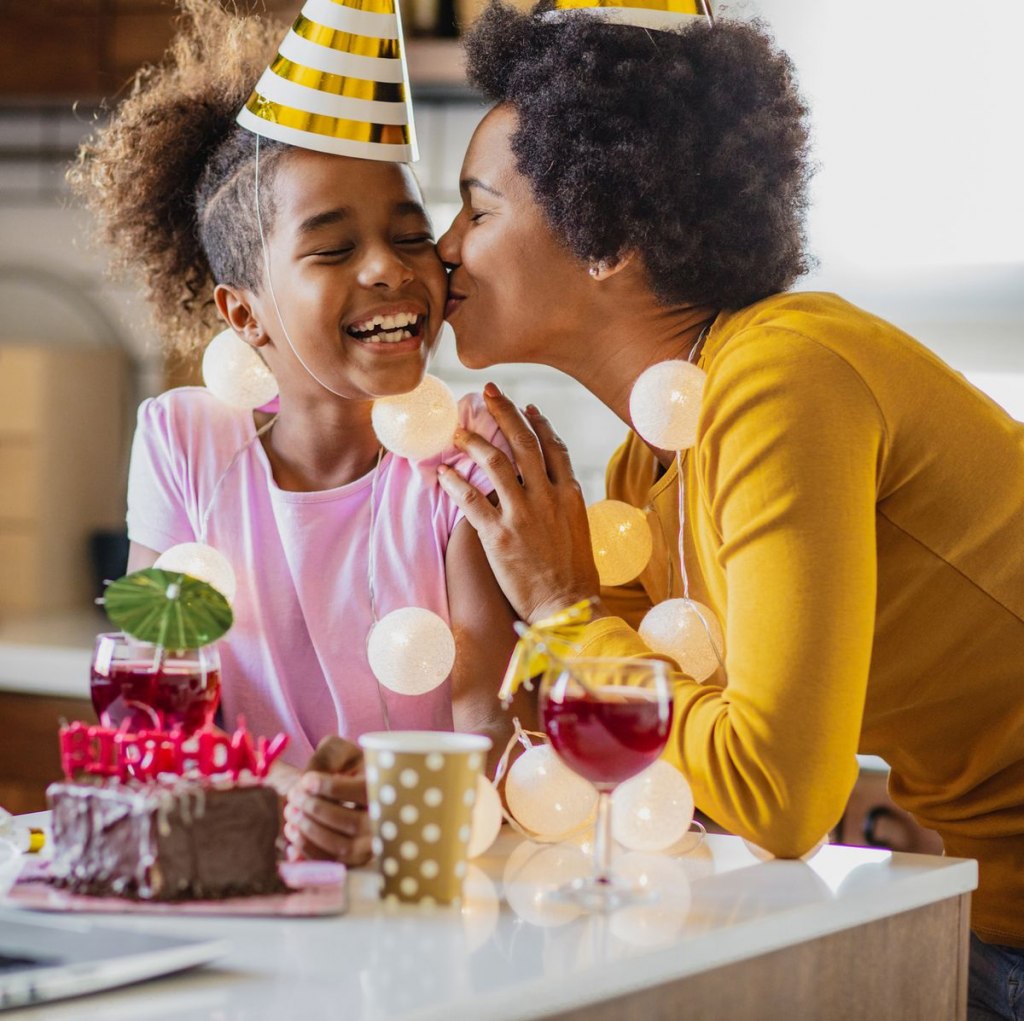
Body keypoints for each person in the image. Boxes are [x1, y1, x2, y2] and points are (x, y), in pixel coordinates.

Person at [433, 3, 1024, 1014]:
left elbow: (779, 796)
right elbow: (617, 756)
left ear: (605, 233)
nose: (443, 250)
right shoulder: (639, 472)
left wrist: (564, 609)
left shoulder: (780, 376)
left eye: (476, 210)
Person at [69, 0, 525, 866]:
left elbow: (486, 719)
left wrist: (393, 808)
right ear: (244, 312)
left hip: (420, 881)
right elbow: (147, 711)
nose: (388, 266)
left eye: (408, 235)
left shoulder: (460, 459)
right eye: (331, 248)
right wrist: (284, 797)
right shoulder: (184, 443)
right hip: (248, 880)